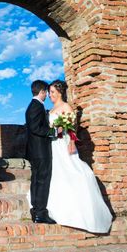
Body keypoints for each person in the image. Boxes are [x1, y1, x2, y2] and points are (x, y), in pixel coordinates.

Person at [44, 79, 113, 233]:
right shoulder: (50, 110)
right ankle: (59, 207)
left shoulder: (66, 107)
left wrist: (72, 143)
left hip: (64, 142)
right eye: (49, 93)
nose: (50, 95)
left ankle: (83, 212)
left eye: (53, 92)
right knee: (57, 172)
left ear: (60, 92)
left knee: (75, 170)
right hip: (54, 144)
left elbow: (72, 128)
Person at [24, 80, 56, 224]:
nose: (47, 95)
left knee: (36, 180)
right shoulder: (36, 106)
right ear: (42, 92)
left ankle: (36, 210)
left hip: (35, 151)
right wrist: (54, 131)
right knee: (42, 181)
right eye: (46, 92)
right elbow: (36, 128)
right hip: (40, 151)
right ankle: (41, 213)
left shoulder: (33, 106)